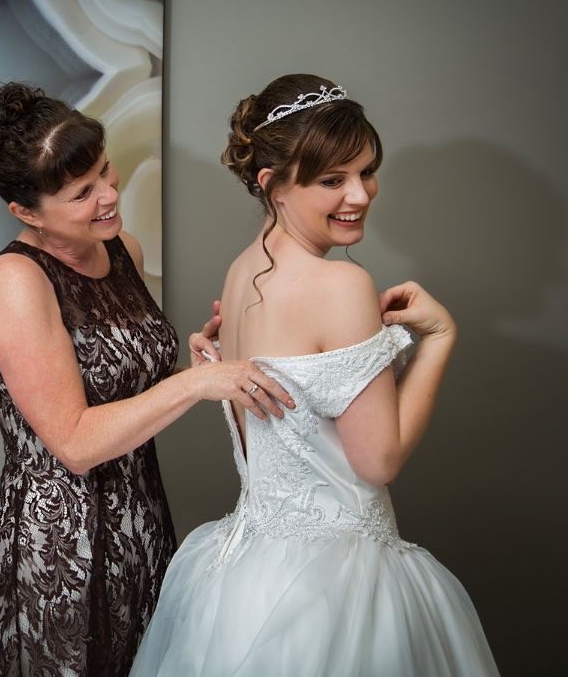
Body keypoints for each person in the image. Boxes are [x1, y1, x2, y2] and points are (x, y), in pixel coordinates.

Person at [129, 74, 499, 676]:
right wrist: (439, 338)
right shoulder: (341, 285)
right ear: (272, 184)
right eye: (332, 180)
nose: (360, 194)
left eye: (367, 171)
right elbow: (378, 462)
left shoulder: (241, 273)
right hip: (332, 590)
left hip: (241, 580)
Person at [0, 82, 295, 677]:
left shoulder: (123, 252)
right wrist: (193, 387)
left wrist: (198, 364)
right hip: (60, 546)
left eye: (105, 170)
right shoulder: (16, 281)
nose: (109, 195)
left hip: (143, 527)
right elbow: (75, 442)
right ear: (26, 212)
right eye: (81, 193)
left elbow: (124, 389)